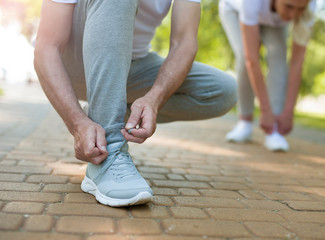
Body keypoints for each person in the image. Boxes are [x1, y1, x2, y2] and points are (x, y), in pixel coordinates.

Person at [34, 0, 236, 207]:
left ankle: (103, 116)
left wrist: (154, 98)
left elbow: (184, 42)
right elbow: (46, 47)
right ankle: (108, 152)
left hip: (133, 68)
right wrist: (76, 122)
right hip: (75, 65)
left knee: (222, 91)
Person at [219, 0, 316, 151]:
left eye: (300, 9)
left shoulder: (309, 6)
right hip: (235, 9)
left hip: (274, 21)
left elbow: (297, 64)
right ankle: (245, 122)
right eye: (289, 6)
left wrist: (289, 112)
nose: (293, 15)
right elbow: (252, 59)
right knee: (244, 58)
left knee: (278, 58)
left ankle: (275, 129)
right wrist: (265, 111)